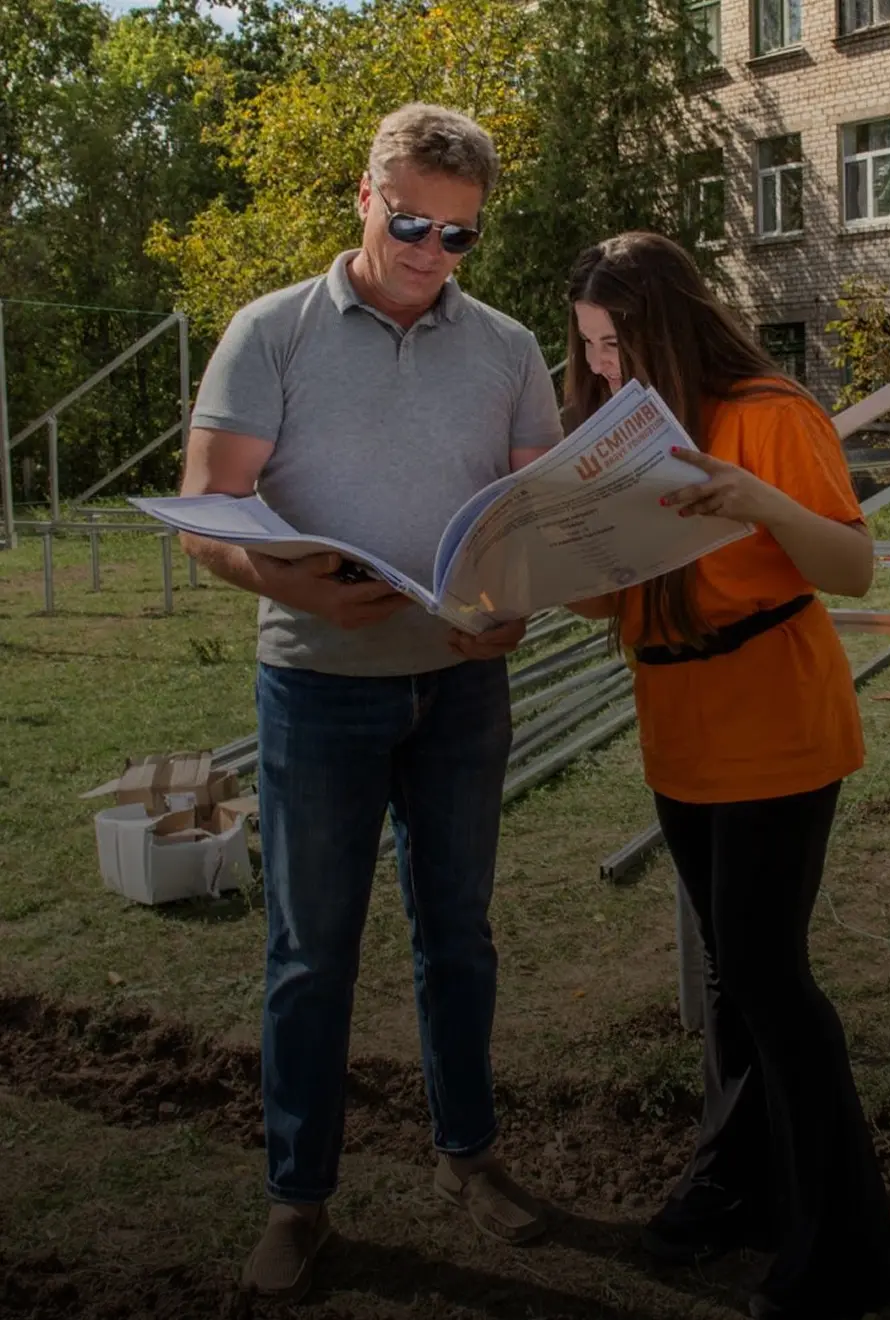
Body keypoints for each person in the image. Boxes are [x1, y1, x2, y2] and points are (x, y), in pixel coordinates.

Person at [178, 103, 564, 1303]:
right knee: (309, 953)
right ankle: (300, 1200)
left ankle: (471, 1160)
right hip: (315, 684)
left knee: (460, 937)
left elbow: (533, 512)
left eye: (459, 237)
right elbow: (207, 510)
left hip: (463, 684)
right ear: (363, 197)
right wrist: (279, 571)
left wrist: (521, 596)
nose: (431, 253)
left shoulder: (506, 347)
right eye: (411, 224)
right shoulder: (269, 333)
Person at [564, 233, 890, 1320]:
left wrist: (757, 502)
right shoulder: (617, 437)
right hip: (683, 732)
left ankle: (851, 1245)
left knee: (767, 975)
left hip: (777, 725)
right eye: (589, 349)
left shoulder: (768, 413)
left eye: (618, 345)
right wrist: (516, 573)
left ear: (668, 328)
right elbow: (619, 594)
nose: (605, 368)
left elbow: (850, 566)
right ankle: (739, 1188)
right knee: (730, 974)